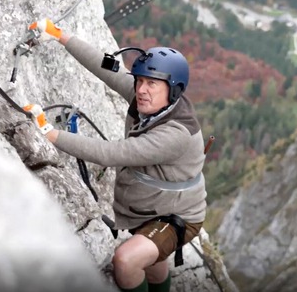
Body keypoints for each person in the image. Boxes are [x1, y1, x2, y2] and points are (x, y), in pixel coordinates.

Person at [23, 19, 207, 292]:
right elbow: (108, 71)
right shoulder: (153, 101)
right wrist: (62, 36)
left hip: (175, 215)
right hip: (151, 207)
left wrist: (51, 134)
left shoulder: (176, 134)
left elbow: (112, 154)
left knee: (127, 260)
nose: (142, 89)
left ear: (173, 89)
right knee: (154, 265)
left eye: (152, 84)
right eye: (140, 81)